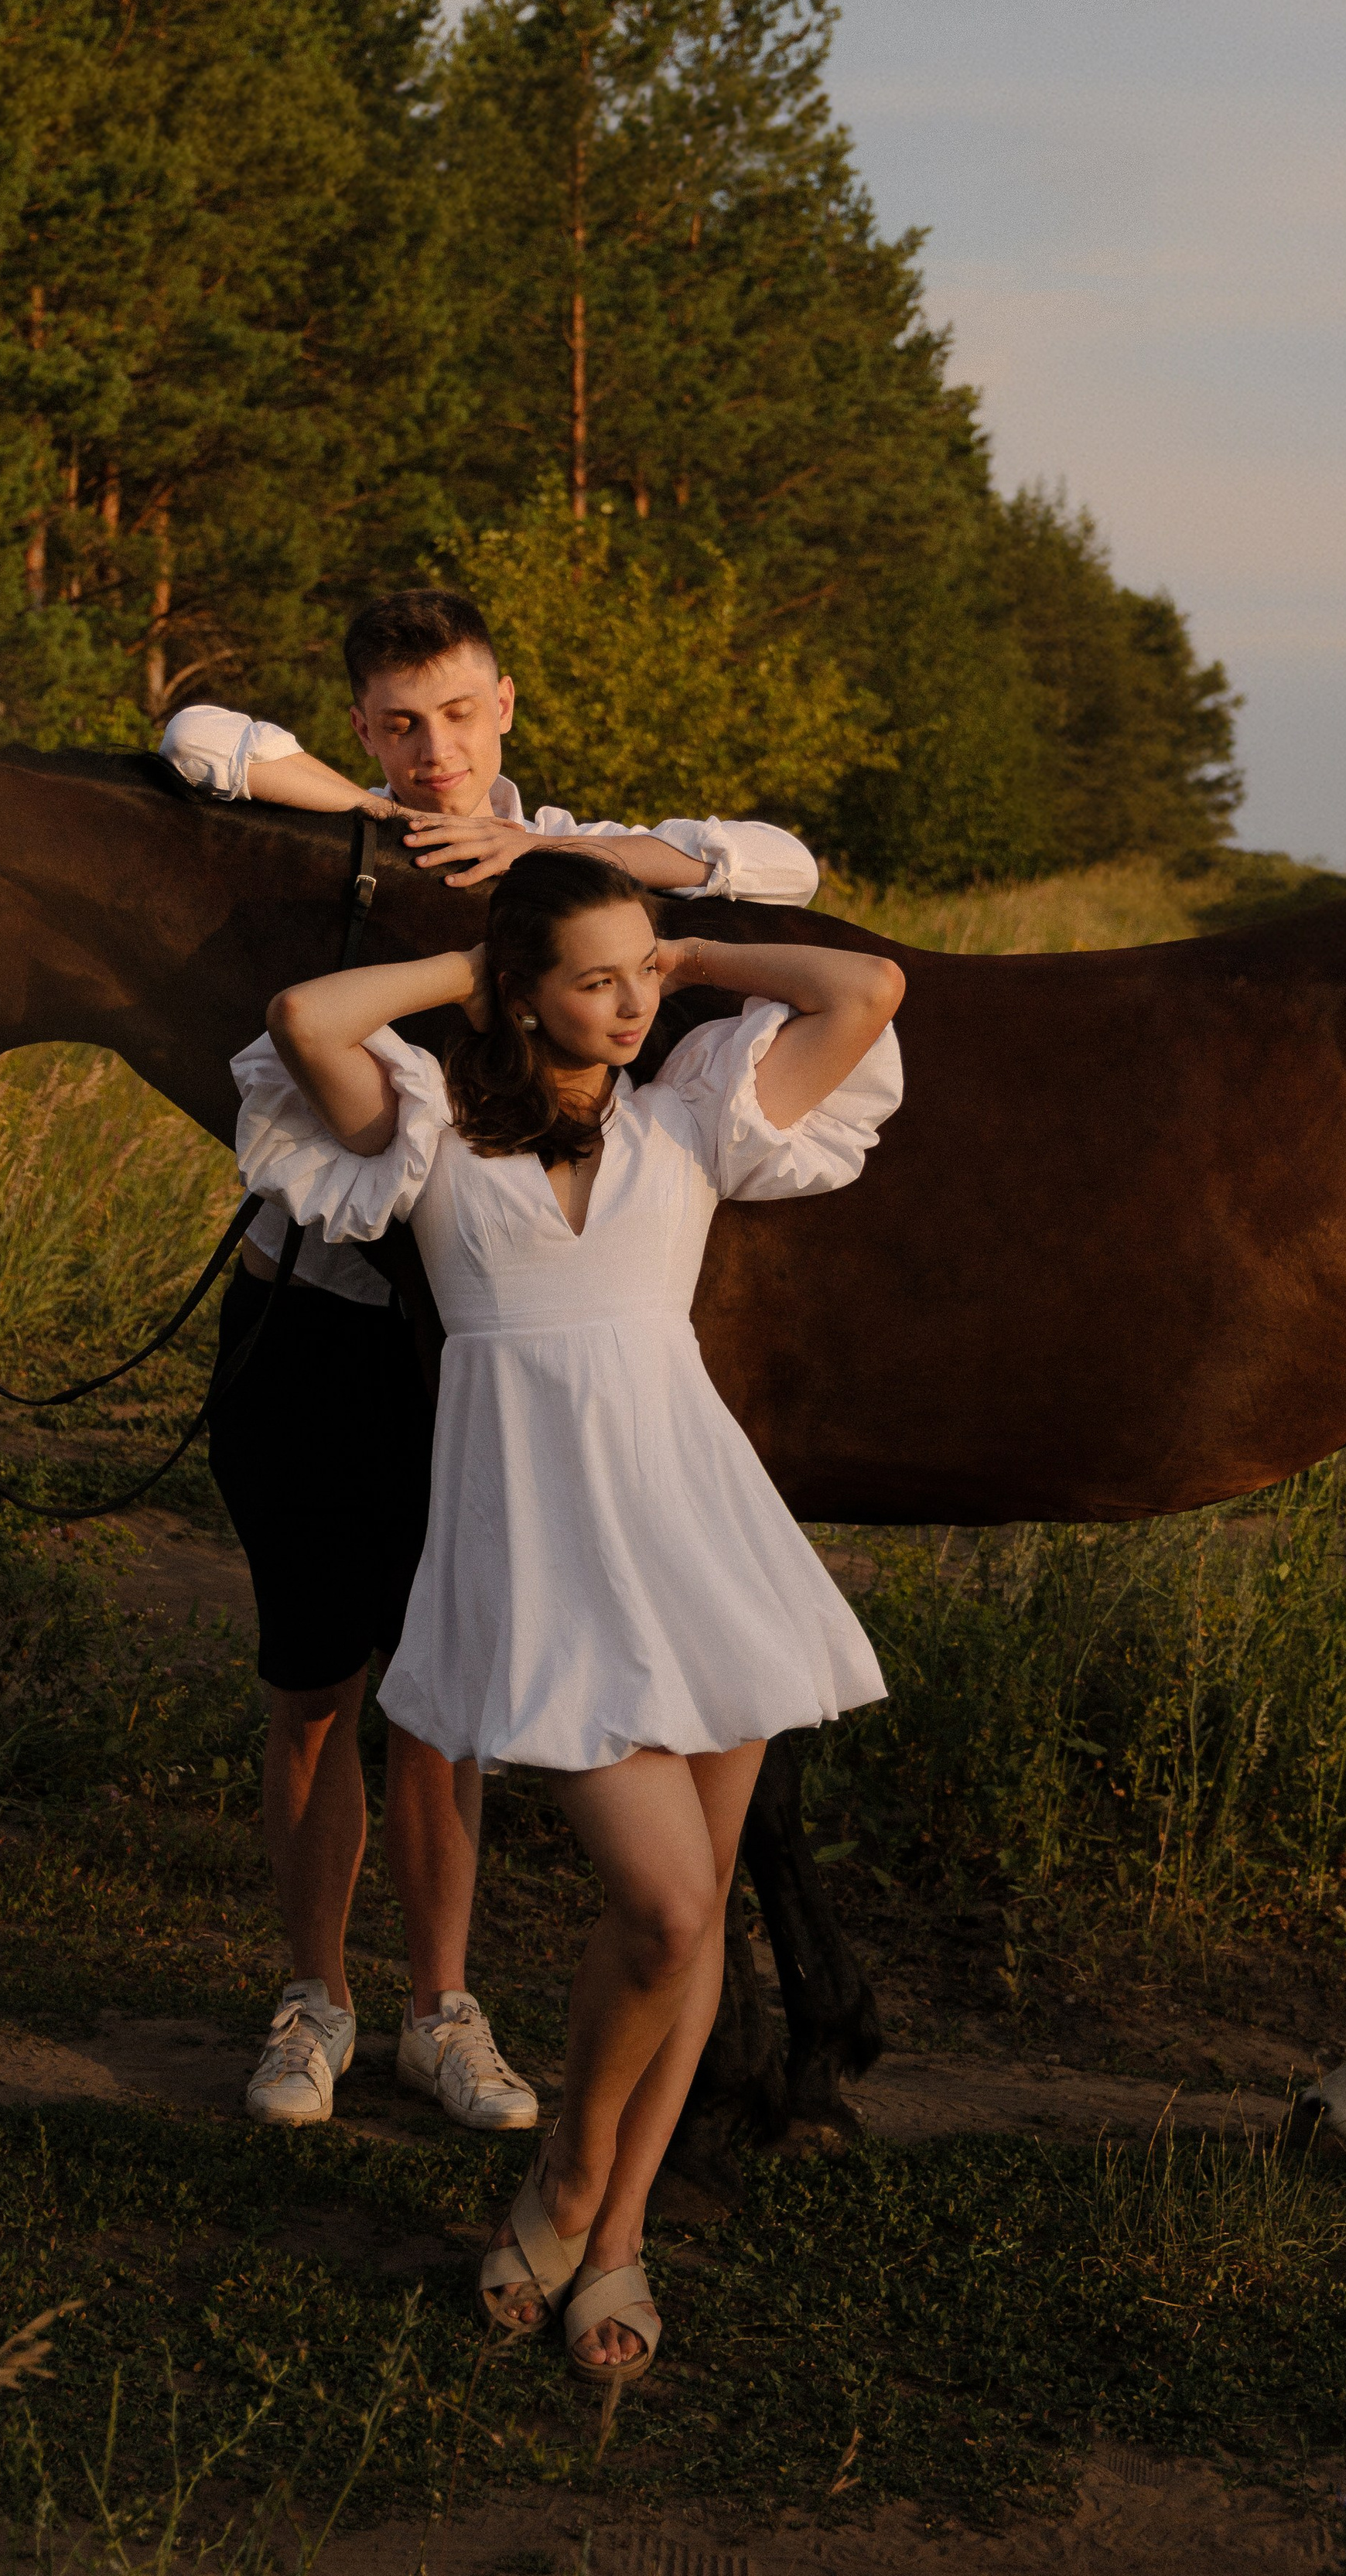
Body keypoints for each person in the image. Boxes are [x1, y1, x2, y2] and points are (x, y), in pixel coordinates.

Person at [232, 849, 903, 2379]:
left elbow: (865, 988)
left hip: (700, 1543)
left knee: (698, 1917)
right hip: (539, 1563)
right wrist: (463, 972)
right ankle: (568, 2176)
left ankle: (611, 2240)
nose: (625, 1003)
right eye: (590, 979)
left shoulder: (688, 1115)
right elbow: (305, 1016)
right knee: (662, 1909)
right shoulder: (429, 1137)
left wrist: (692, 954)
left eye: (636, 975)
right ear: (515, 990)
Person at [160, 593, 822, 2134]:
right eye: (396, 721)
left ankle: (438, 2010)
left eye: (456, 715)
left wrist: (545, 868)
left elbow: (786, 862)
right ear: (361, 725)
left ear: (506, 705)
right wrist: (371, 812)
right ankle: (310, 1999)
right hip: (315, 1315)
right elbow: (194, 740)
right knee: (313, 1682)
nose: (433, 748)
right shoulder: (328, 832)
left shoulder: (571, 868)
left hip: (483, 1349)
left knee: (445, 1695)